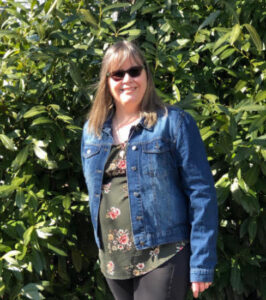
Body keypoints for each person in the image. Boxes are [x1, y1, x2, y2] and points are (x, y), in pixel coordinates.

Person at [81, 40, 218, 300]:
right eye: (118, 74)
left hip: (163, 253)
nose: (127, 80)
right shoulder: (92, 131)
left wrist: (201, 262)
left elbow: (202, 194)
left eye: (135, 71)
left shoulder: (174, 123)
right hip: (114, 260)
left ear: (146, 74)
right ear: (107, 81)